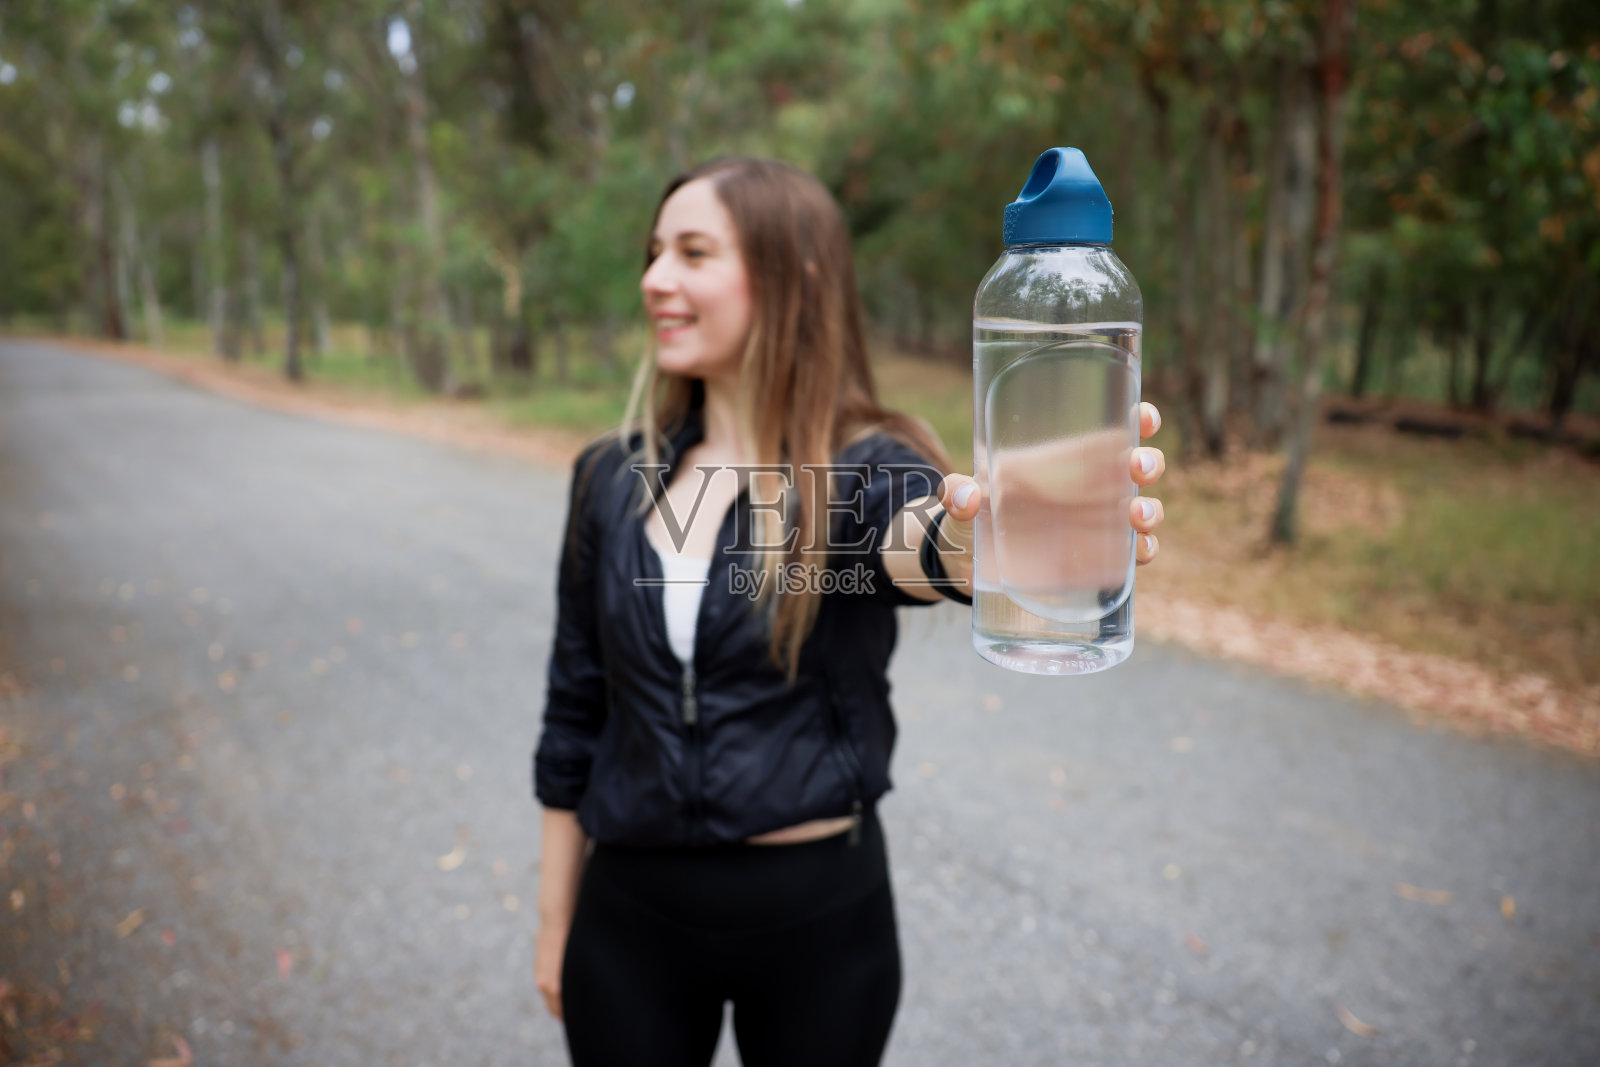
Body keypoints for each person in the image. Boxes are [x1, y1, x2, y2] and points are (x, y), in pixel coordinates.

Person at [531, 156, 1167, 1067]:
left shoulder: (869, 465)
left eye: (693, 252)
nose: (654, 279)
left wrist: (984, 536)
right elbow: (573, 713)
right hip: (628, 911)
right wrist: (555, 924)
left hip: (820, 921)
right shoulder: (609, 477)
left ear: (797, 276)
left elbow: (910, 544)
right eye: (653, 251)